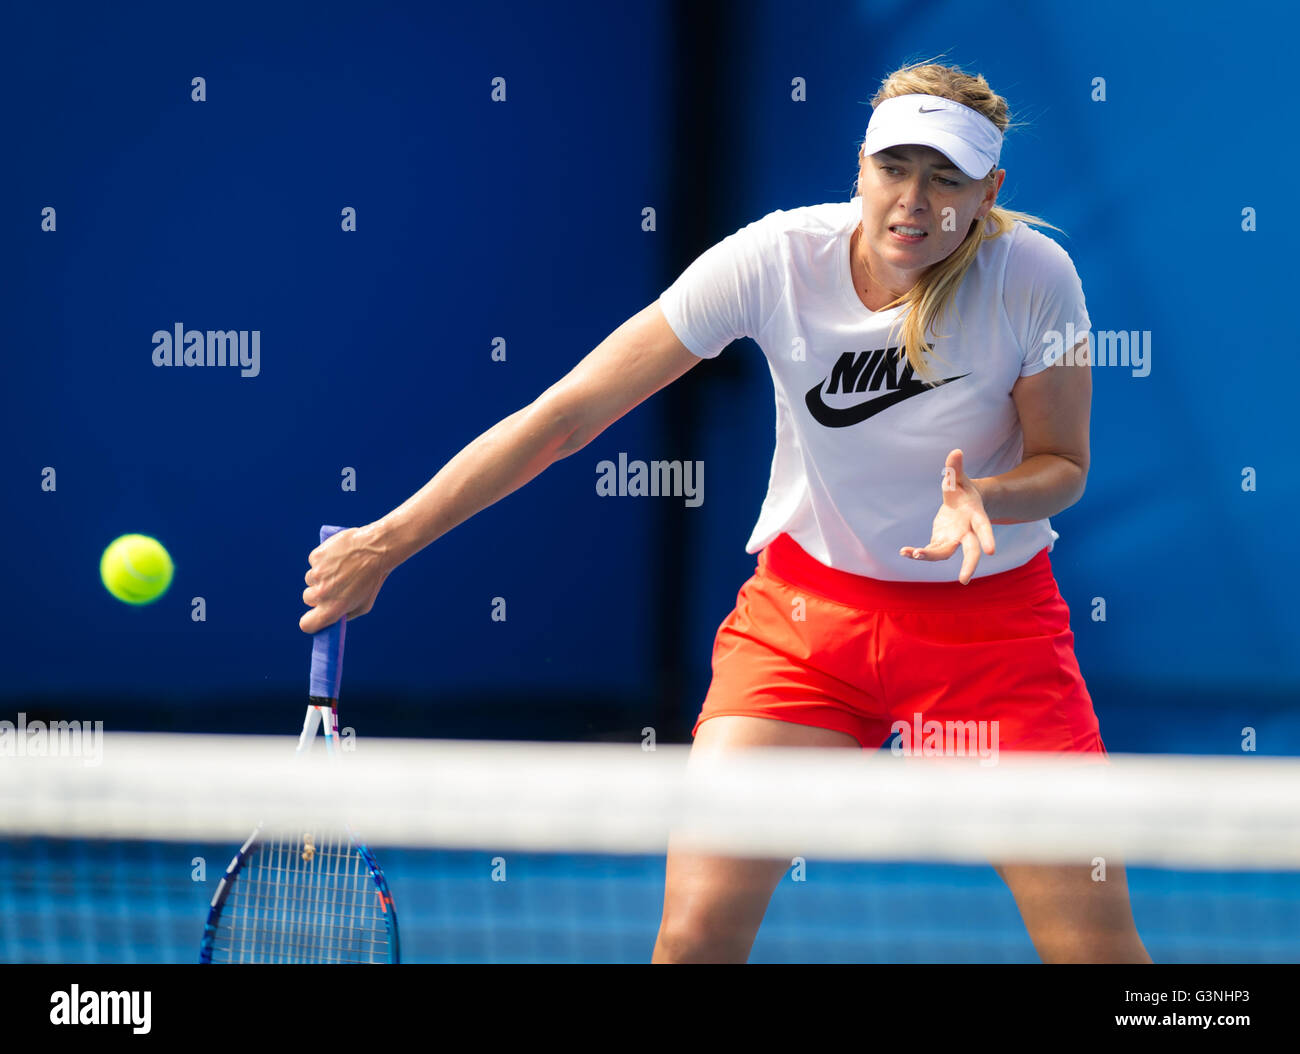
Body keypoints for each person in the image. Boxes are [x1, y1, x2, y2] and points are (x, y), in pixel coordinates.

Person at [299, 59, 1151, 964]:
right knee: (695, 936)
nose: (915, 200)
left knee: (1097, 954)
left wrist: (985, 494)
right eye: (894, 169)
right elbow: (568, 415)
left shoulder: (1033, 276)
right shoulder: (775, 259)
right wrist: (389, 540)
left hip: (993, 637)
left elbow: (1063, 464)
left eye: (946, 177)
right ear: (858, 169)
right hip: (804, 628)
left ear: (989, 192)